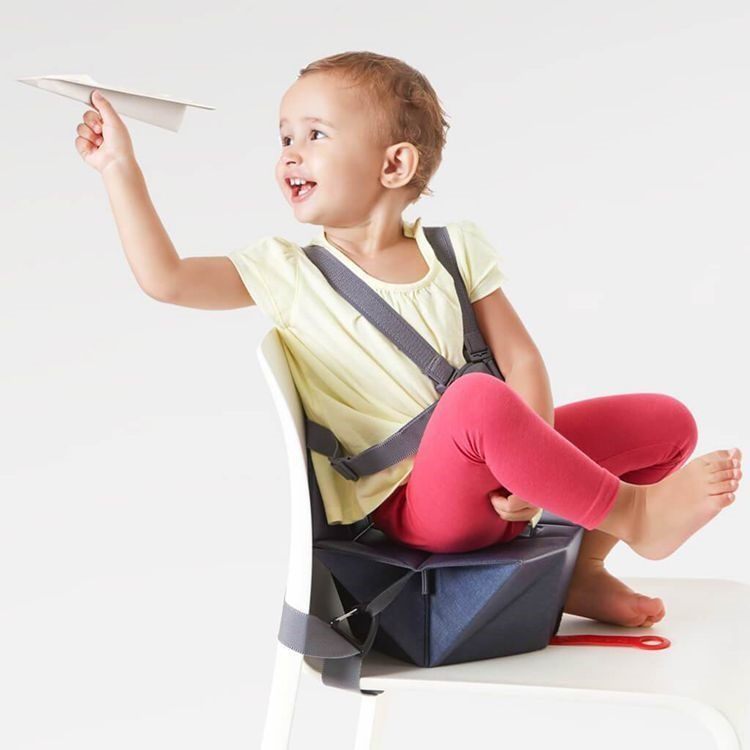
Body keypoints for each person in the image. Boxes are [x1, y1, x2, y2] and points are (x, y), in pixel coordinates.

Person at [74, 51, 742, 629]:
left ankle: (579, 571)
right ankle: (633, 514)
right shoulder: (287, 272)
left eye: (314, 134)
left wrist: (531, 474)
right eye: (284, 137)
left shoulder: (455, 248)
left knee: (664, 422)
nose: (289, 153)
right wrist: (118, 167)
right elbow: (166, 279)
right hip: (416, 509)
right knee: (477, 398)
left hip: (499, 478)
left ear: (394, 163)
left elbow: (522, 359)